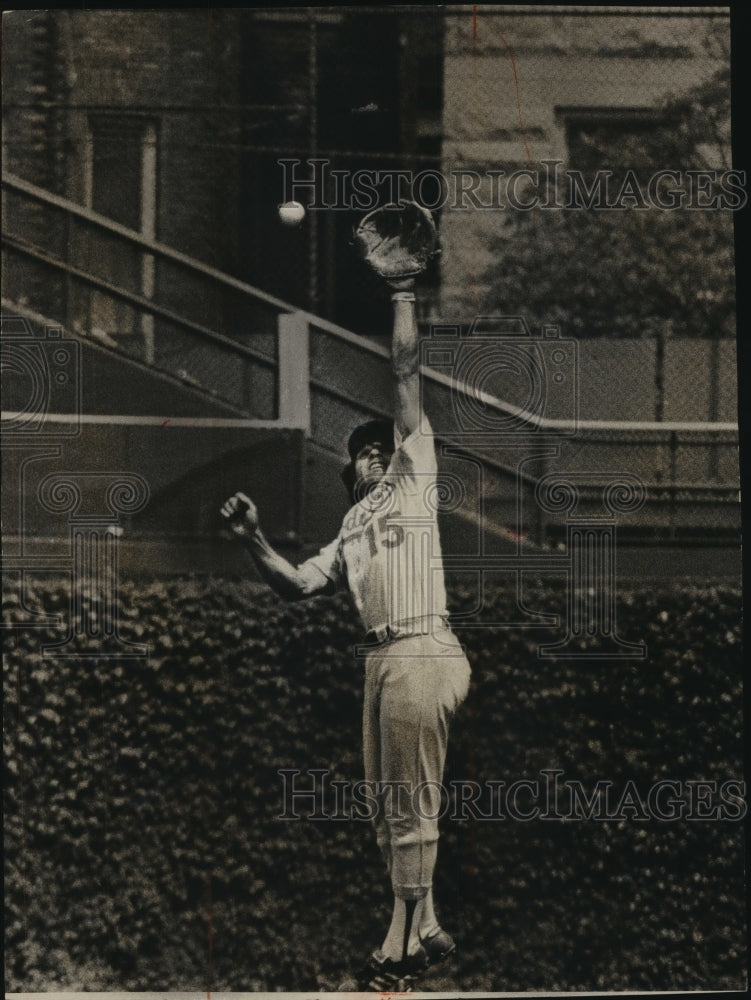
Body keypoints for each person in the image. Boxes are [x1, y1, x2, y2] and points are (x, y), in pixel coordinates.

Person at [221, 273, 471, 990]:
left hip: (423, 642)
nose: (372, 456)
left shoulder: (412, 476)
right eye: (361, 453)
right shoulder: (351, 525)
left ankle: (399, 942)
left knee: (412, 799)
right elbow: (297, 584)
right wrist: (253, 537)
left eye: (378, 448)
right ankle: (422, 922)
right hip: (383, 659)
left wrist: (400, 291)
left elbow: (403, 371)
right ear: (347, 470)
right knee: (384, 806)